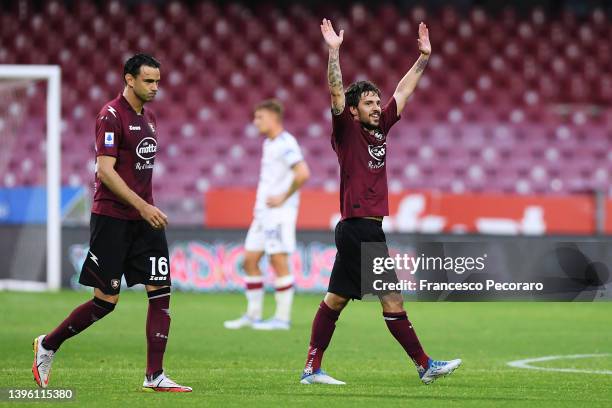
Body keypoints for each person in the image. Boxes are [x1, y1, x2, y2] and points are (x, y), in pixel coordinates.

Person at [300, 19, 461, 385]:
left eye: (377, 101)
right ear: (353, 111)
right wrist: (334, 52)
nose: (376, 106)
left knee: (334, 301)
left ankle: (311, 368)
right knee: (393, 300)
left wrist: (423, 58)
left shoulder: (380, 128)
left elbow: (403, 92)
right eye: (368, 103)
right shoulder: (347, 131)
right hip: (360, 228)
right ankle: (424, 365)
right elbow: (336, 92)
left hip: (359, 229)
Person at [32, 54, 191, 392]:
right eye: (148, 81)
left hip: (145, 220)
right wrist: (142, 205)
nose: (155, 88)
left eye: (158, 81)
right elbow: (106, 171)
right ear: (129, 79)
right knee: (105, 302)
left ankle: (155, 375)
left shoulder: (149, 119)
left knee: (161, 292)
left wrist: (146, 209)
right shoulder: (111, 115)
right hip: (113, 218)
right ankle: (47, 344)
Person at [224, 99, 310, 331]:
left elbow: (302, 173)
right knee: (249, 261)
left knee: (277, 261)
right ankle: (253, 315)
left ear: (273, 117)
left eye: (259, 117)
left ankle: (282, 319)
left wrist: (283, 196)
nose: (255, 122)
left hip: (279, 213)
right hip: (262, 214)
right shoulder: (269, 143)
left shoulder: (286, 142)